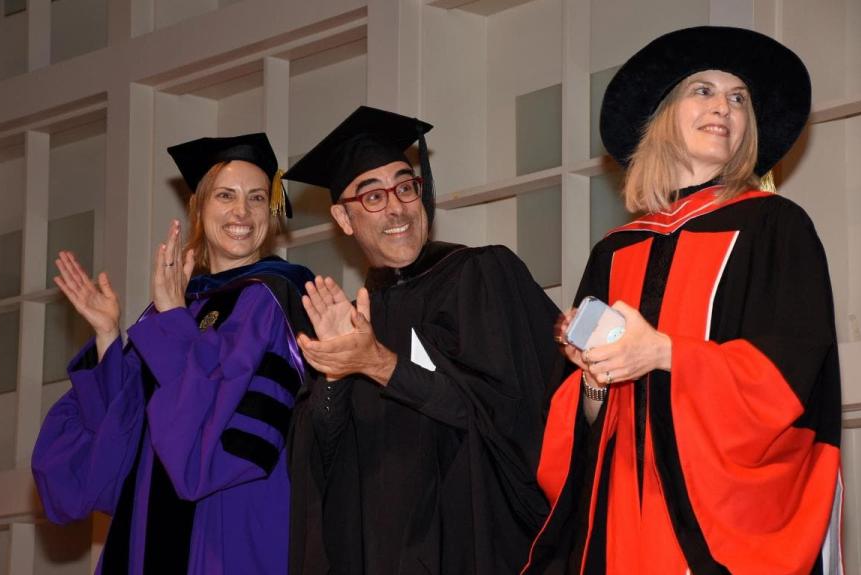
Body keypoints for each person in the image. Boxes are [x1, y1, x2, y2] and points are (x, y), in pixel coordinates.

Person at [521, 26, 843, 575]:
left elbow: (792, 377)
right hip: (623, 515)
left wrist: (666, 354)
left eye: (738, 98)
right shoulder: (615, 250)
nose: (724, 107)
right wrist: (594, 374)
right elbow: (578, 420)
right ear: (664, 114)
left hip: (722, 517)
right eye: (703, 90)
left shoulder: (776, 228)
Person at [283, 106, 567, 574]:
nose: (396, 207)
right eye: (371, 196)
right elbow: (325, 463)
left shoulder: (483, 276)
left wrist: (378, 363)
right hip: (383, 552)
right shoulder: (356, 319)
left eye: (405, 186)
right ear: (343, 217)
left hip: (476, 545)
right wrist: (333, 375)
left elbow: (507, 417)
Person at [32, 133, 314, 575]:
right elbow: (117, 438)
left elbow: (221, 418)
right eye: (225, 196)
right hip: (144, 527)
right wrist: (108, 334)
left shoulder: (277, 298)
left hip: (228, 521)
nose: (242, 212)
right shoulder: (177, 303)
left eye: (257, 198)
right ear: (199, 209)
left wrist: (175, 322)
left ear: (271, 213)